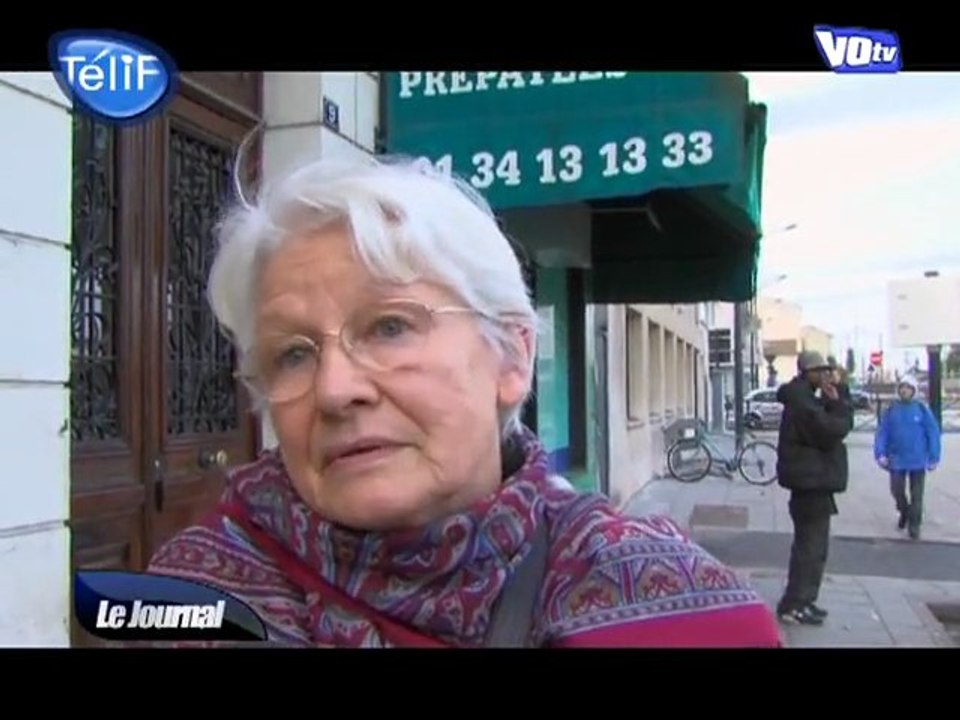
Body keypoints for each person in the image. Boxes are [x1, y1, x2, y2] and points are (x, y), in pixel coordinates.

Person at [144, 153, 781, 648]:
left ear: (511, 356)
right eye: (294, 354)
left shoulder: (668, 603)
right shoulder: (191, 600)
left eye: (389, 327)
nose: (336, 390)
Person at [774, 351, 854, 626]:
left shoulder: (806, 398)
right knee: (810, 548)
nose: (827, 376)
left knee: (815, 548)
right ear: (808, 372)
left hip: (814, 482)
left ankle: (805, 600)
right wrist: (840, 400)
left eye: (828, 371)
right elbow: (833, 430)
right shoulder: (801, 402)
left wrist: (834, 399)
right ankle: (794, 604)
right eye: (822, 371)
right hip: (809, 483)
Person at [874, 375, 941, 540]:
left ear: (913, 391)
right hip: (896, 459)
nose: (904, 391)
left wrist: (934, 456)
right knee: (897, 490)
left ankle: (914, 524)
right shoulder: (891, 410)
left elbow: (932, 433)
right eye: (902, 387)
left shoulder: (921, 410)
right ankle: (904, 511)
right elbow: (882, 433)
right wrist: (880, 453)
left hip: (917, 459)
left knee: (917, 494)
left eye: (908, 388)